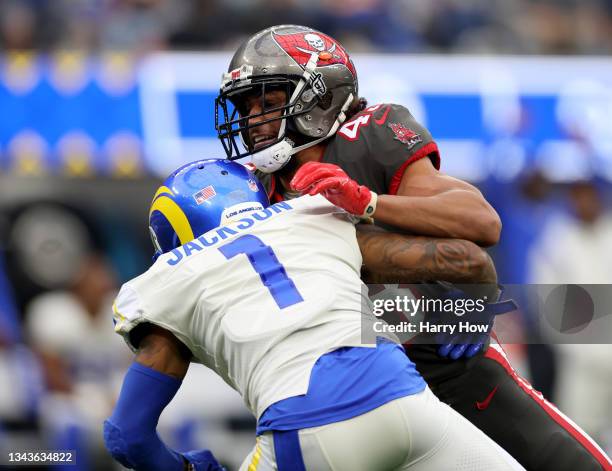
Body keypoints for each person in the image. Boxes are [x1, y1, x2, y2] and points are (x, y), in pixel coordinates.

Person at [214, 24, 612, 470]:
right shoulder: (249, 193)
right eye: (247, 106)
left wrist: (367, 202)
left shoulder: (367, 136)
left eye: (268, 103)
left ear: (322, 98)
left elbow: (479, 221)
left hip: (442, 363)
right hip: (348, 395)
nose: (254, 120)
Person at [104, 159, 525, 470]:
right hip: (404, 400)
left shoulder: (168, 280)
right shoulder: (311, 216)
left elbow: (126, 436)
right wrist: (472, 311)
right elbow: (467, 260)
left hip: (304, 431)